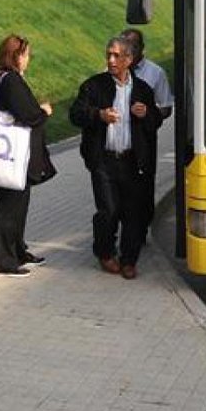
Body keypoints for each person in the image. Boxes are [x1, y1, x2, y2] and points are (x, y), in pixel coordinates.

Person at [70, 36, 163, 280]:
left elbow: (156, 122)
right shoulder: (94, 86)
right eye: (108, 54)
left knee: (134, 213)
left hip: (133, 161)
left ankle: (129, 260)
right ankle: (105, 253)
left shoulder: (143, 89)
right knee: (108, 211)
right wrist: (99, 115)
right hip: (104, 159)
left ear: (129, 59)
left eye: (116, 55)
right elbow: (76, 113)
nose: (111, 60)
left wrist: (147, 113)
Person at [0, 35, 57, 277]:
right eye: (26, 54)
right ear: (16, 55)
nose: (28, 59)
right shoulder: (10, 80)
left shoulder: (2, 78)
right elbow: (29, 114)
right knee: (11, 205)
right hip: (14, 153)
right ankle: (5, 260)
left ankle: (18, 250)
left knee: (19, 201)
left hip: (12, 151)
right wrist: (44, 111)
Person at [121, 28, 174, 119]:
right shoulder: (110, 71)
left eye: (133, 46)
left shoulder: (156, 73)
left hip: (144, 131)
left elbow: (166, 108)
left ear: (142, 47)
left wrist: (147, 115)